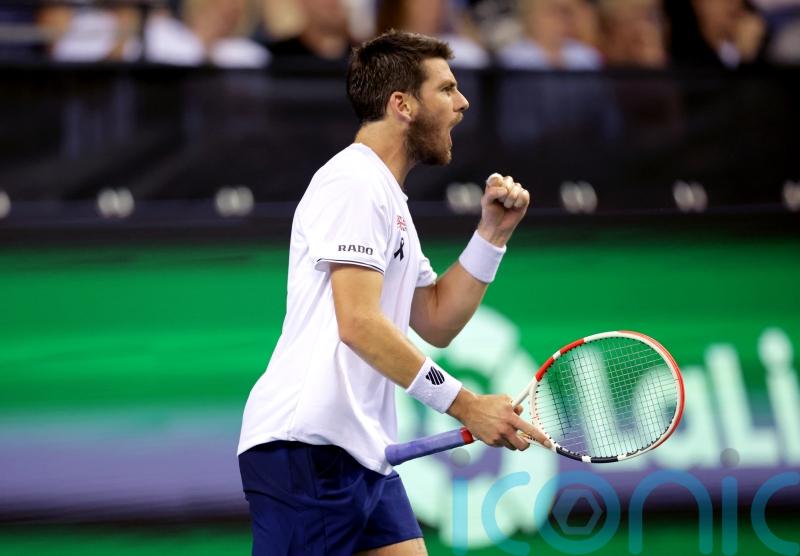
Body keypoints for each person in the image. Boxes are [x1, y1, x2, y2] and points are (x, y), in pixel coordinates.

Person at [237, 30, 549, 555]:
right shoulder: (354, 183)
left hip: (364, 455)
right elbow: (358, 325)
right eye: (446, 89)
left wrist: (492, 235)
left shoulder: (387, 196)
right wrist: (467, 405)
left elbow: (435, 319)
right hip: (310, 449)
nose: (463, 102)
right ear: (402, 105)